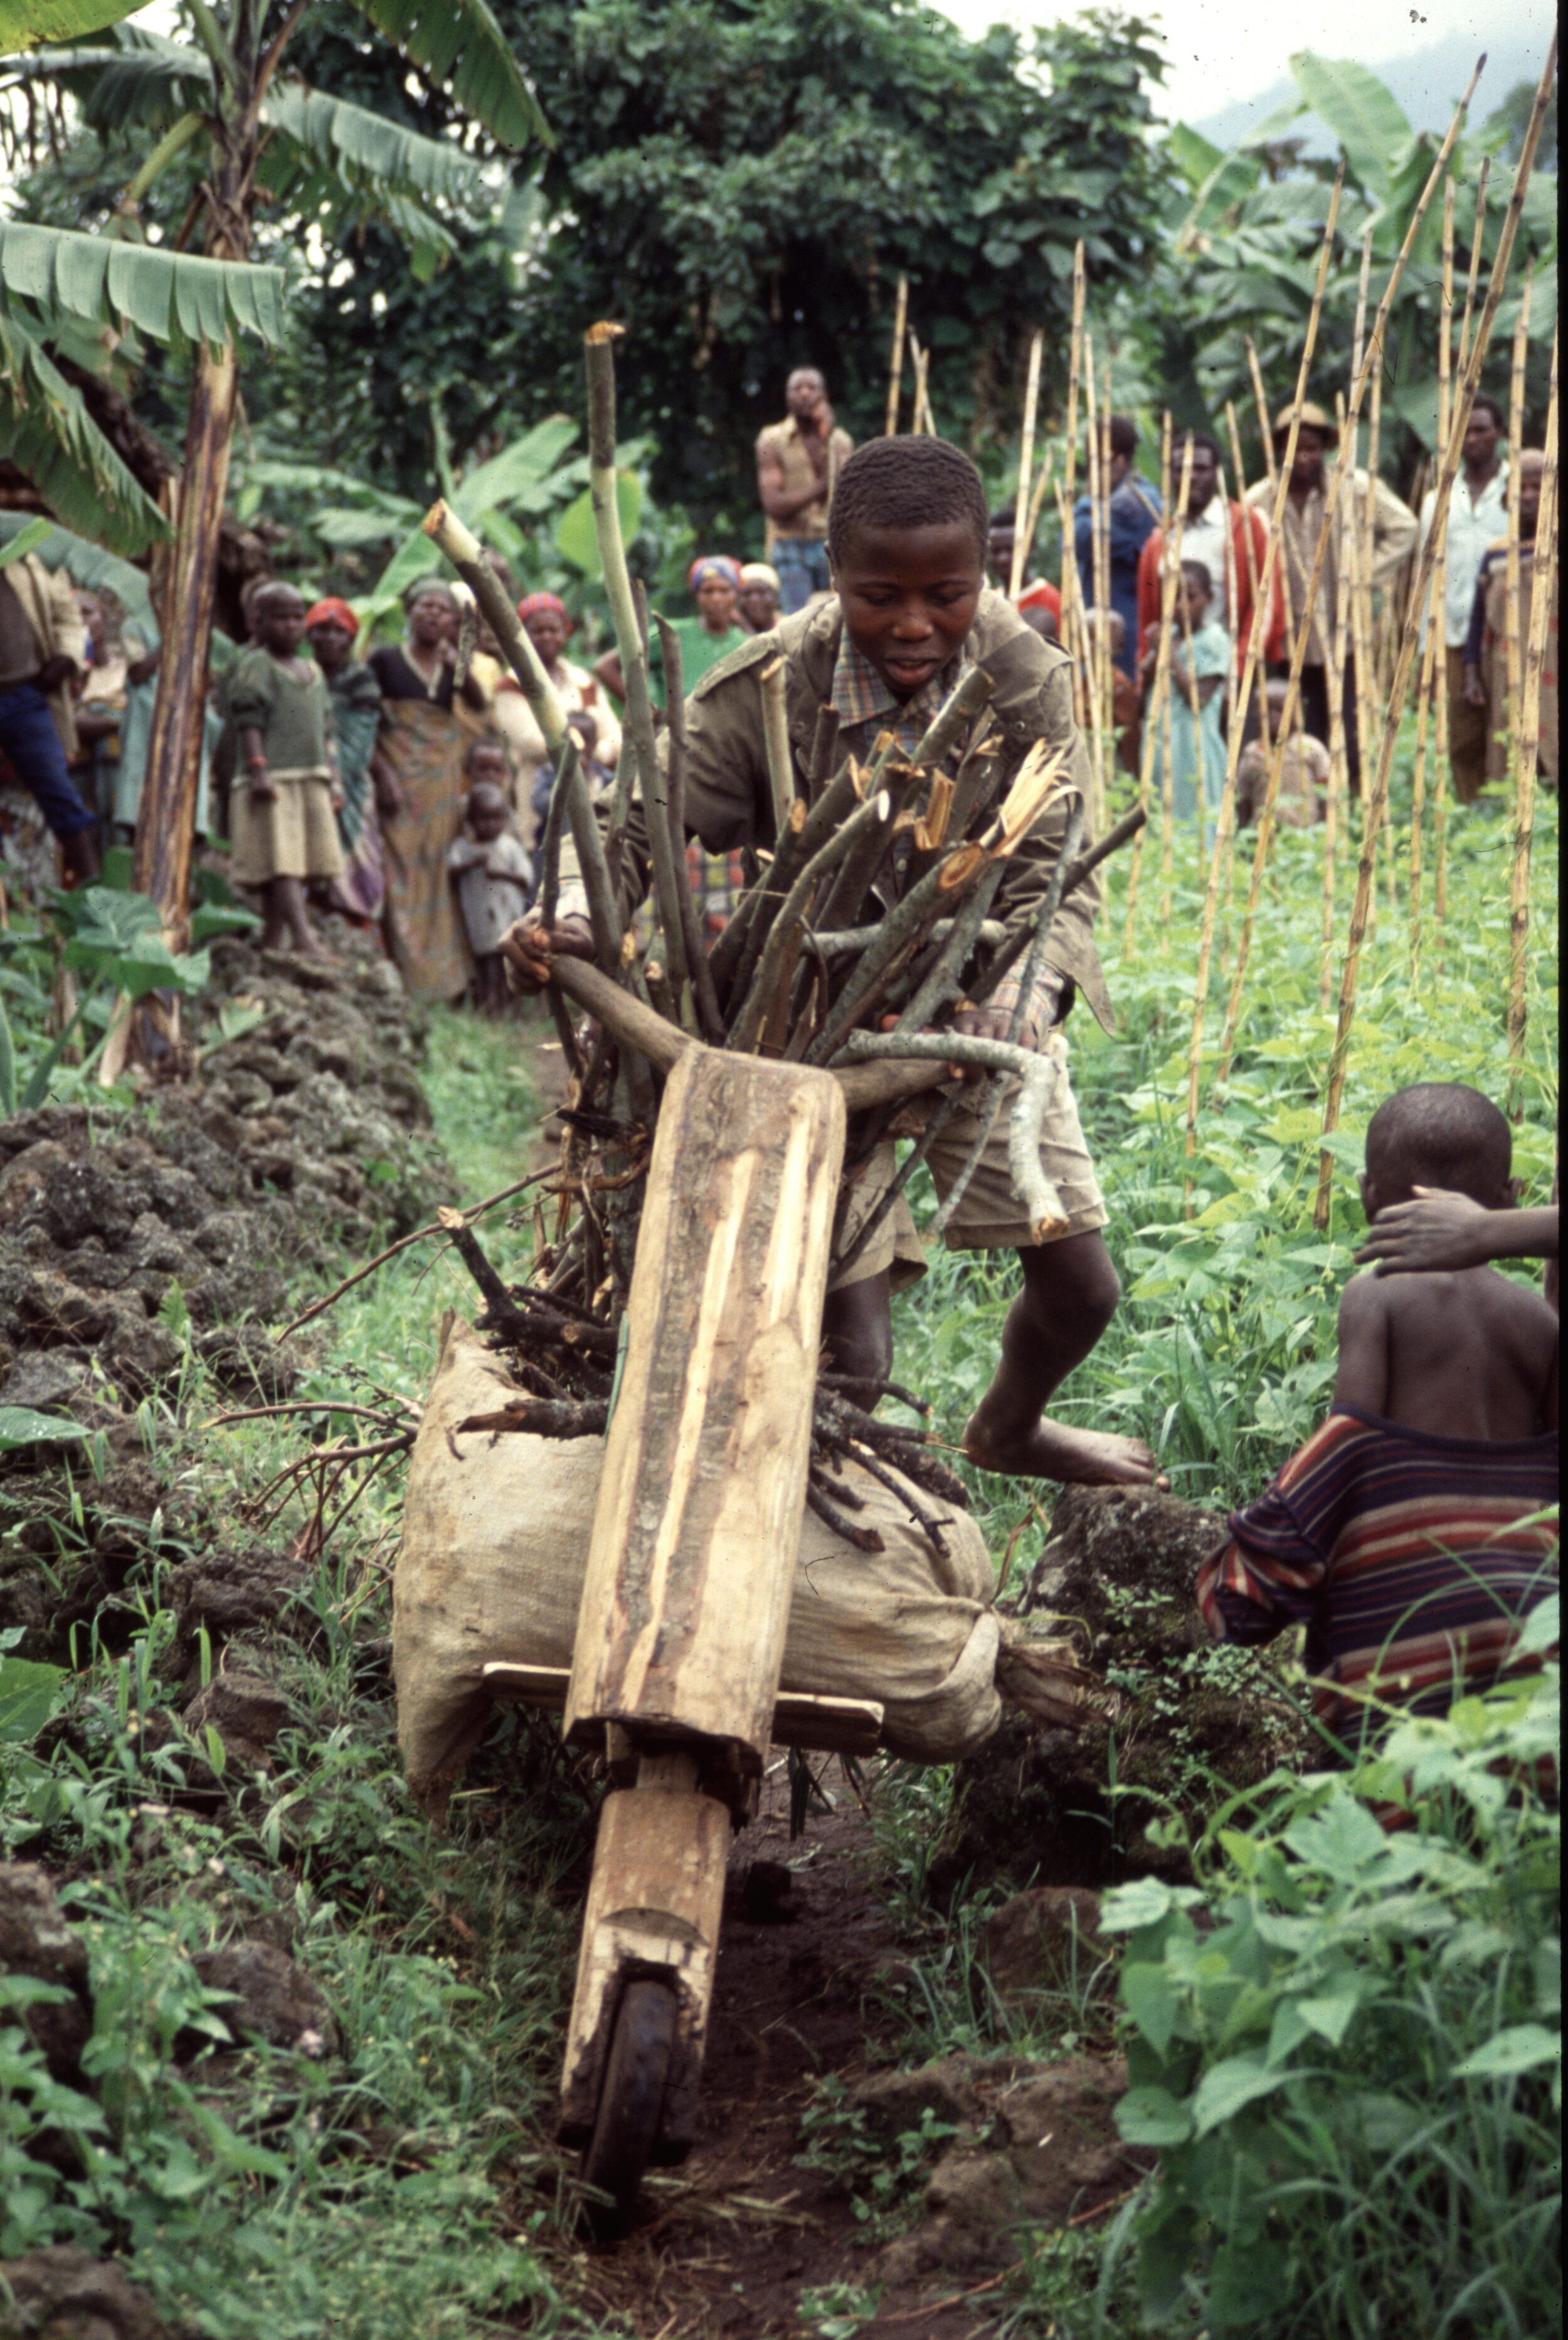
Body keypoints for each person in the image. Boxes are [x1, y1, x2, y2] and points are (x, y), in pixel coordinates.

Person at [510, 433, 1160, 1489]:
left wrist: (1021, 995)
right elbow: (635, 824)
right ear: (831, 567)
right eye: (878, 596)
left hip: (970, 1021)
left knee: (1082, 1287)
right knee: (852, 1358)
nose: (913, 624)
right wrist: (576, 913)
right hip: (805, 1033)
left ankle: (1010, 1428)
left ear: (985, 572)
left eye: (946, 594)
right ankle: (780, 1519)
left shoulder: (1024, 679)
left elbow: (1057, 876)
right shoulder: (773, 680)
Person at [1197, 1082, 1558, 1755]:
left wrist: (1269, 1547)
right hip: (1526, 1609)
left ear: (1367, 1194)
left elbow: (1350, 1443)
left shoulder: (1376, 1292)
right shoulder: (1539, 1318)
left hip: (1402, 1617)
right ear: (1510, 1198)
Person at [1244, 403, 1418, 790]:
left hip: (1345, 635)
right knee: (1302, 728)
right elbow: (1241, 551)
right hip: (1290, 640)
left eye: (1311, 448)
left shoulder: (1351, 488)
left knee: (1352, 731)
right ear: (1280, 450)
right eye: (1295, 449)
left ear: (1324, 448)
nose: (1304, 458)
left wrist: (1364, 577)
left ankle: (1353, 801)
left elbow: (1405, 527)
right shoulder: (1259, 501)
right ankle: (1309, 807)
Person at [368, 579, 487, 1002]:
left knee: (438, 872)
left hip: (438, 789)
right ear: (410, 612)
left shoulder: (449, 665)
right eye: (426, 606)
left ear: (452, 622)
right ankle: (406, 975)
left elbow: (478, 703)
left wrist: (460, 662)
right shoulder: (384, 660)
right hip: (399, 786)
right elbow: (368, 726)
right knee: (399, 871)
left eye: (442, 610)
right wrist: (383, 775)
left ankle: (444, 983)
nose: (433, 614)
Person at [228, 581, 345, 956]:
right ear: (256, 623)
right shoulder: (256, 666)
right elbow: (249, 721)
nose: (291, 626)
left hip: (311, 776)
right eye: (280, 619)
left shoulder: (313, 671)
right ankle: (303, 937)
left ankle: (272, 940)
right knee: (281, 862)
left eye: (298, 617)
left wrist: (335, 779)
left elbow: (326, 730)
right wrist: (258, 768)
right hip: (273, 778)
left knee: (298, 859)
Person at [1136, 430, 1281, 708]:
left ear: (1216, 474)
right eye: (1182, 469)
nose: (1191, 477)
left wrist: (1238, 673)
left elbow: (1264, 607)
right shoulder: (1158, 542)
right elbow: (1149, 621)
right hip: (1175, 684)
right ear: (1171, 476)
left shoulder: (1246, 526)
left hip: (1229, 677)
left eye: (1200, 468)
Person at [1419, 393, 1508, 805]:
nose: (1472, 439)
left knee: (1509, 722)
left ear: (1499, 434)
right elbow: (1428, 574)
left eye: (1481, 430)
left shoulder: (1520, 488)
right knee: (1462, 734)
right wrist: (1425, 642)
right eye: (1465, 432)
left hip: (1510, 631)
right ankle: (1469, 808)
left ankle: (1514, 808)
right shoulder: (1439, 499)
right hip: (1453, 632)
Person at [485, 591, 620, 840]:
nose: (547, 636)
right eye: (537, 631)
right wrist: (586, 751)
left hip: (593, 798)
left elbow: (614, 734)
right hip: (541, 801)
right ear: (523, 634)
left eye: (554, 630)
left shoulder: (583, 680)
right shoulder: (513, 684)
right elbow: (529, 743)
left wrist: (598, 752)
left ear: (565, 632)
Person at [0, 550, 100, 882]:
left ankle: (99, 905)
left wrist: (65, 660)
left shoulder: (33, 559)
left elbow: (68, 617)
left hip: (27, 695)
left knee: (61, 797)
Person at [1462, 450, 1559, 790]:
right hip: (1506, 665)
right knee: (1510, 732)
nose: (1530, 495)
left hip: (1553, 663)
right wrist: (1472, 672)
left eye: (1539, 487)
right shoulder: (1497, 553)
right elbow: (1478, 619)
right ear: (1508, 497)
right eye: (1522, 488)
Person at [304, 596, 386, 924]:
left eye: (338, 632)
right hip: (312, 771)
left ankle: (356, 912)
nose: (329, 639)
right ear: (309, 637)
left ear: (351, 639)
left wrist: (339, 770)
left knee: (359, 841)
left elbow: (361, 733)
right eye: (321, 631)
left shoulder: (360, 678)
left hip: (352, 781)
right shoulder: (304, 675)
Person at [756, 368, 853, 614]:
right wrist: (823, 485)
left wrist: (824, 438)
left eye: (812, 388)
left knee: (839, 621)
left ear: (825, 396)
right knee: (797, 626)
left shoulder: (840, 441)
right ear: (787, 397)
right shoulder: (770, 440)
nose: (805, 394)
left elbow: (844, 496)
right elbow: (774, 505)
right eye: (797, 389)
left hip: (832, 547)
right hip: (791, 546)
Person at [1140, 562, 1229, 822]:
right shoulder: (1170, 635)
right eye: (1172, 597)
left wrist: (1167, 654)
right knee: (1161, 812)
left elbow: (1198, 699)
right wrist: (1149, 668)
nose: (1179, 605)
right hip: (1161, 742)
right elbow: (1144, 701)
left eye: (1189, 597)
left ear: (1209, 598)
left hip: (1194, 745)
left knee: (1196, 813)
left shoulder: (1214, 639)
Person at [1074, 415, 1160, 674]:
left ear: (1118, 461)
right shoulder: (1124, 497)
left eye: (1093, 461)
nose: (1090, 471)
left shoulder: (1132, 502)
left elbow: (1077, 539)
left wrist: (1088, 499)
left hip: (1123, 632)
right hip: (1112, 627)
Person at [448, 763, 532, 1017]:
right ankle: (490, 1009)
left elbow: (526, 878)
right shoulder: (463, 847)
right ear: (471, 821)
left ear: (505, 819)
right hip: (480, 921)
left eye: (496, 818)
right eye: (483, 819)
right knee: (487, 965)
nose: (489, 825)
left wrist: (501, 874)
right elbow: (451, 872)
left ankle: (513, 1009)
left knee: (509, 961)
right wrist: (471, 864)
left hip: (508, 918)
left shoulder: (509, 846)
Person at [1234, 677, 1329, 829]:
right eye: (1266, 711)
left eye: (1280, 710)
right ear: (1255, 714)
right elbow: (1244, 799)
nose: (1273, 717)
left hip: (1304, 835)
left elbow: (1326, 792)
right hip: (1262, 834)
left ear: (1296, 713)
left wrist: (1324, 829)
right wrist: (1243, 833)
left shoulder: (1311, 748)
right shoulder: (1252, 753)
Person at [737, 563, 782, 634]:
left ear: (776, 597)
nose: (754, 600)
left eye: (762, 592)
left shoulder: (789, 629)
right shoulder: (730, 633)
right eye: (747, 594)